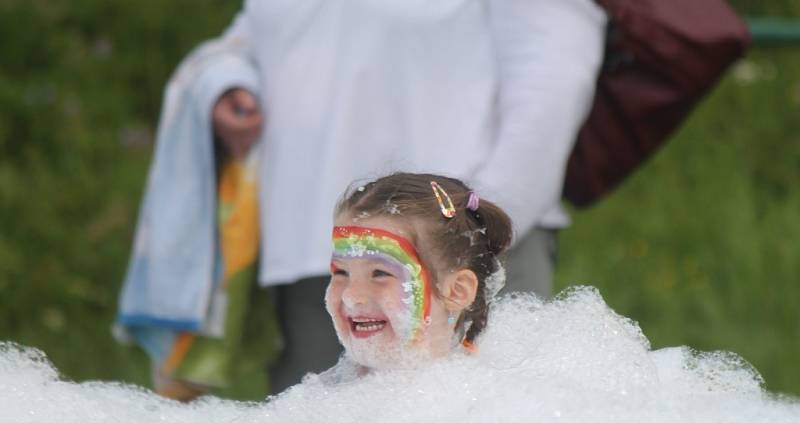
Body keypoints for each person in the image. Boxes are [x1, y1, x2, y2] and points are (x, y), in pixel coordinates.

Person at [117, 0, 608, 397]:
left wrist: (472, 224)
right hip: (313, 250)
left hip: (450, 245)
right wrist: (229, 83)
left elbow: (552, 77)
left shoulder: (460, 256)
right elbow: (254, 33)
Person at [321, 172, 512, 381]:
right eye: (341, 272)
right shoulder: (323, 402)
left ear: (457, 291)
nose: (351, 295)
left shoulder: (491, 398)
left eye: (380, 273)